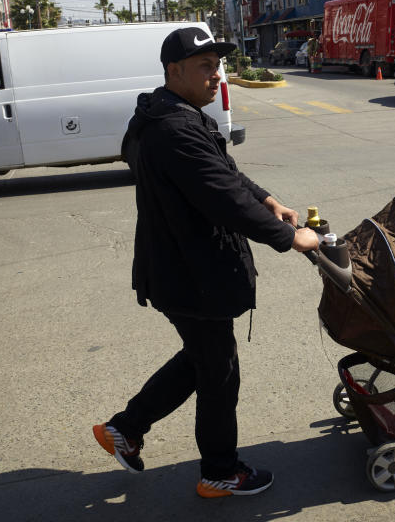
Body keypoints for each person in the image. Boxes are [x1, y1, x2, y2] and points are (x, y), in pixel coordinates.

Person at [93, 26, 320, 498]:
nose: (216, 76)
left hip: (179, 269)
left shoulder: (168, 114)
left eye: (217, 66)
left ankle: (126, 428)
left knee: (203, 360)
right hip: (191, 275)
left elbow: (225, 174)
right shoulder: (174, 127)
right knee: (219, 373)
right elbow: (222, 198)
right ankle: (219, 470)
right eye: (205, 67)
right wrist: (289, 237)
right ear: (174, 71)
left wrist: (268, 198)